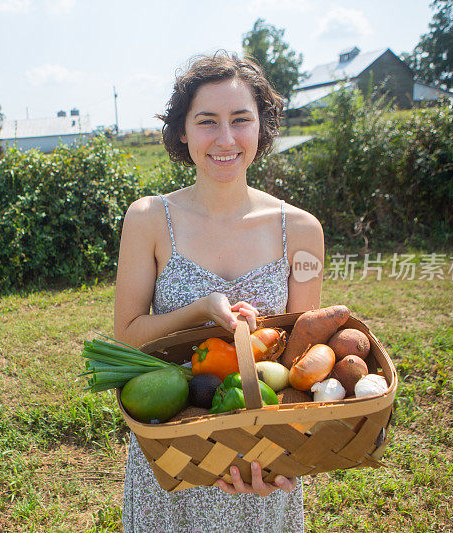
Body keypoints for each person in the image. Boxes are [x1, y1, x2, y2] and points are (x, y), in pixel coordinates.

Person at [113, 51, 325, 532]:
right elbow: (126, 338)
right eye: (207, 121)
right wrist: (198, 312)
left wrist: (284, 466)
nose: (225, 139)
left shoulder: (301, 231)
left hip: (258, 461)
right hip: (173, 460)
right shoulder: (148, 220)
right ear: (182, 131)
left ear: (260, 128)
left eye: (241, 120)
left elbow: (298, 366)